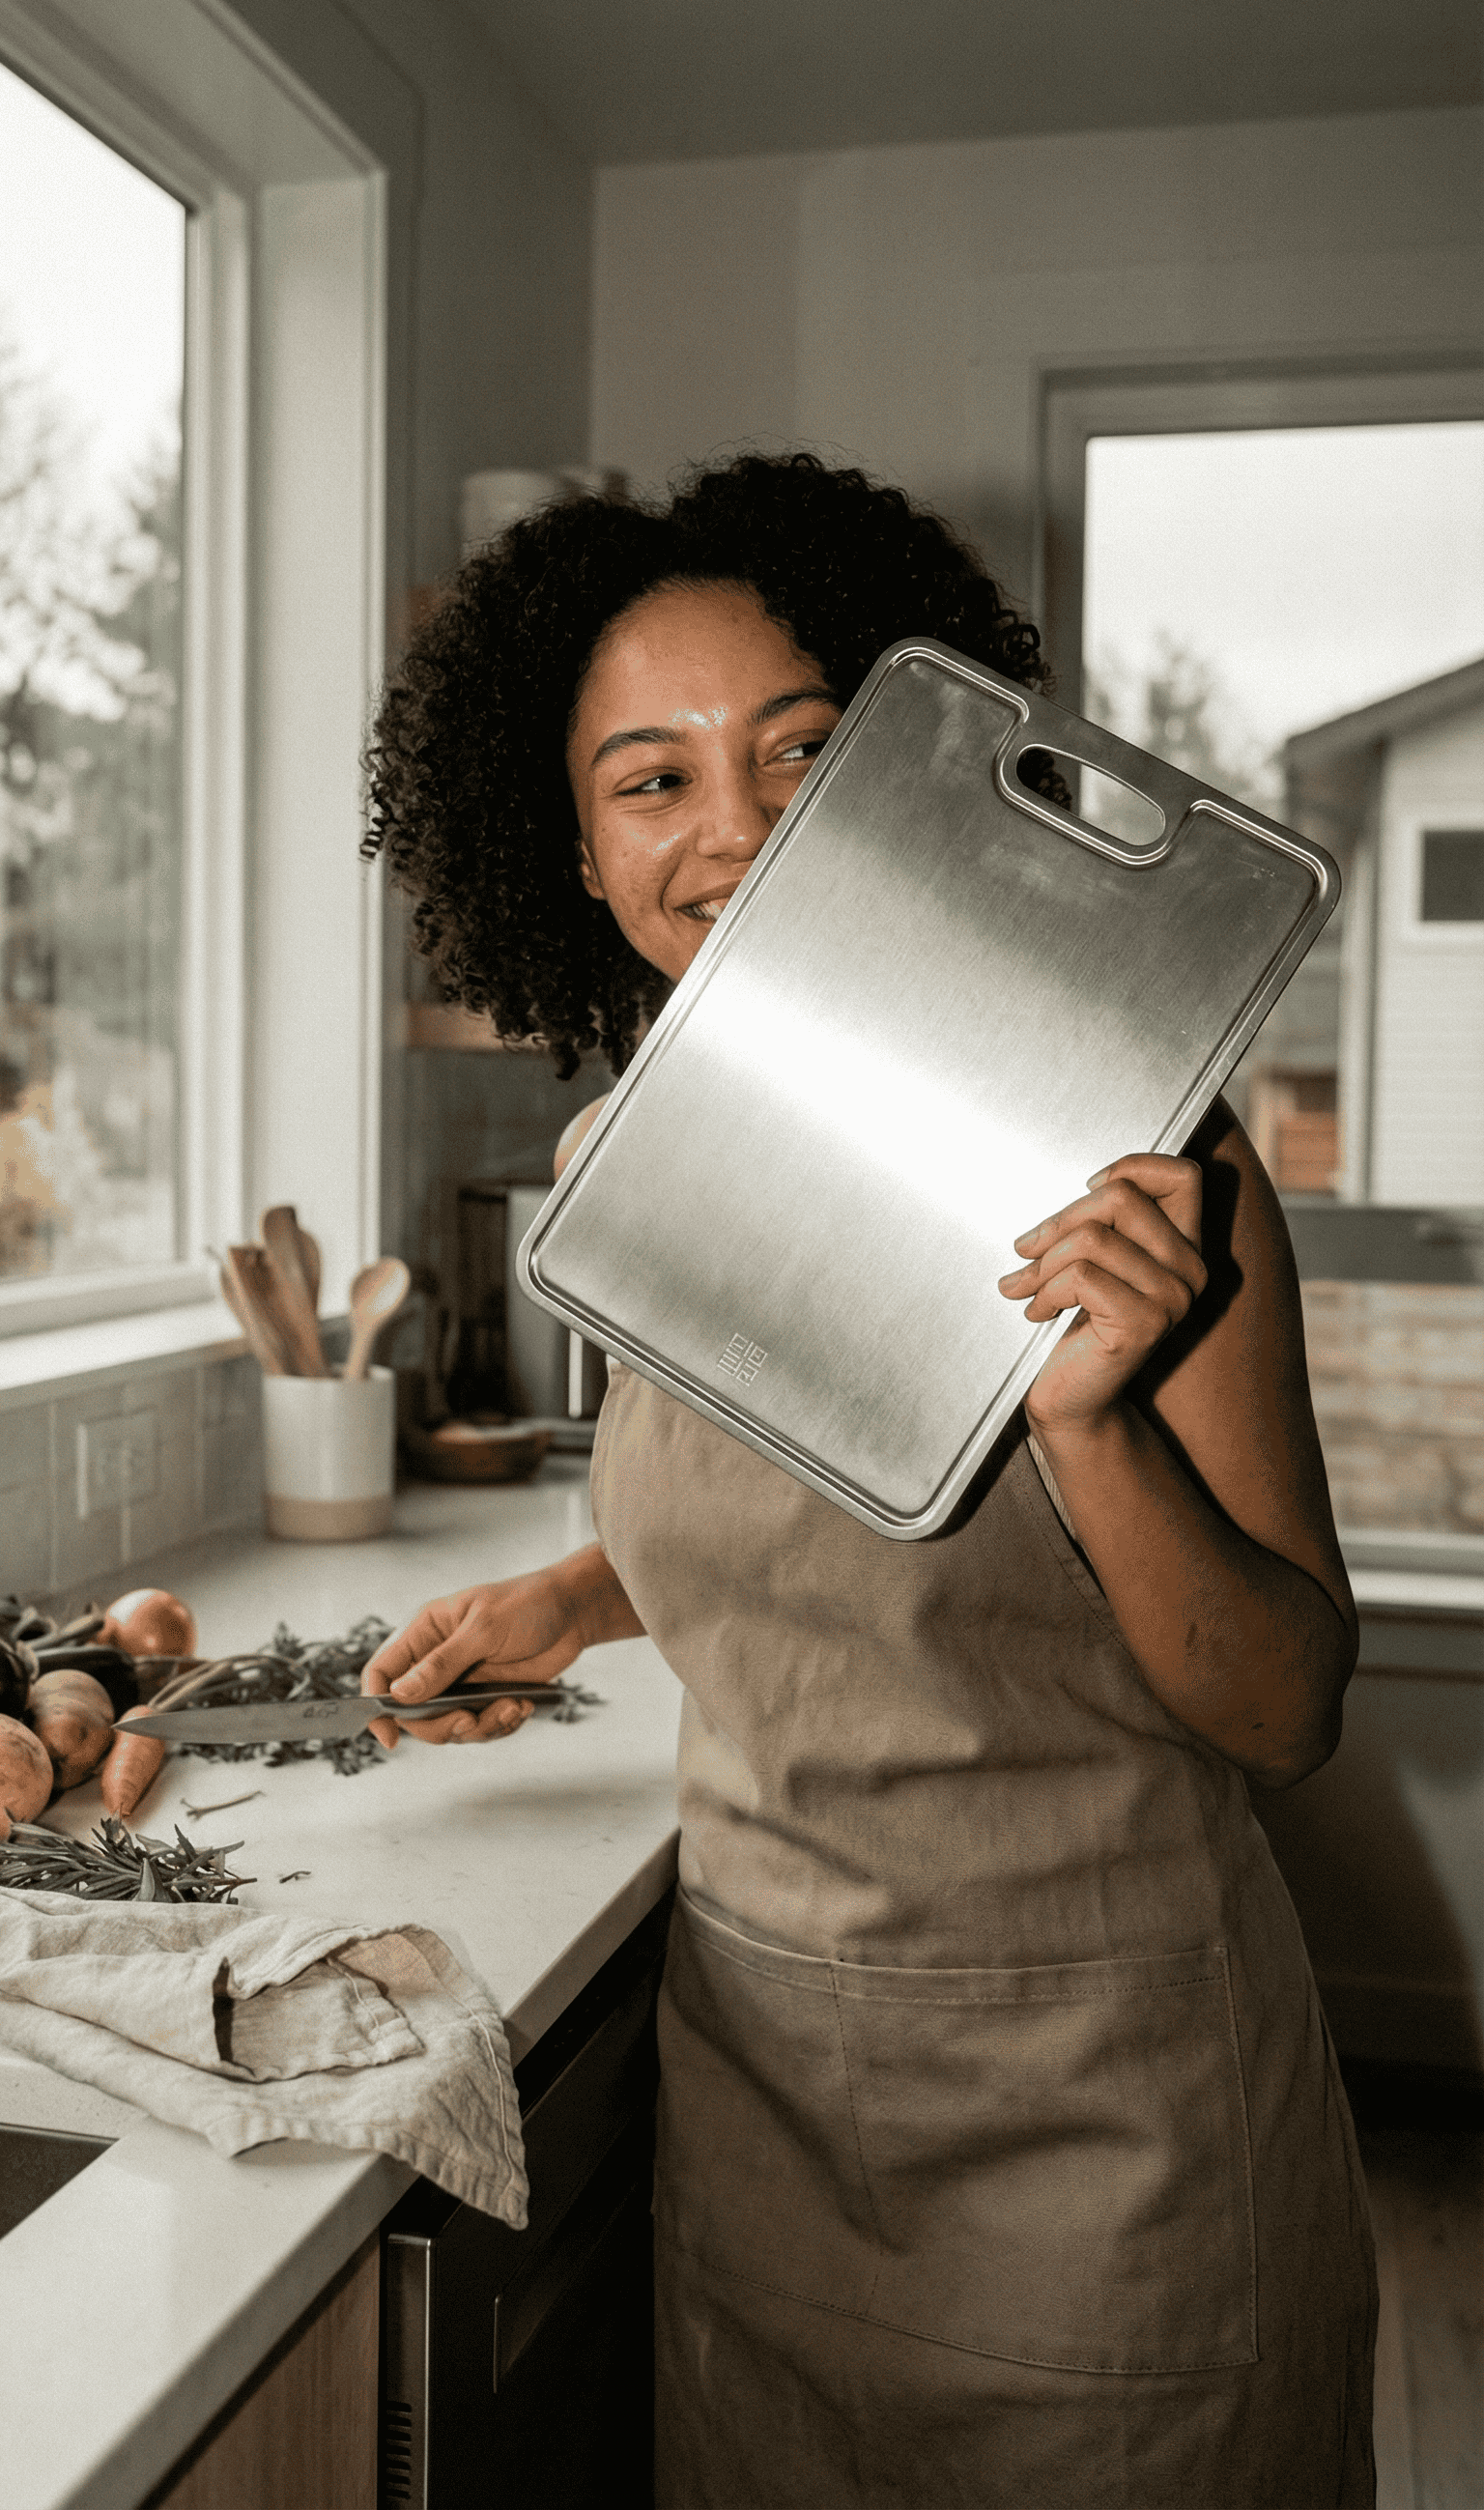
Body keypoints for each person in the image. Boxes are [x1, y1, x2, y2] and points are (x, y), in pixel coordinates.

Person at [360, 454, 1377, 2508]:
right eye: (650, 780)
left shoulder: (1142, 1157)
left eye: (801, 748)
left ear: (902, 771)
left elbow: (1283, 1699)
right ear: (565, 849)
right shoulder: (620, 1176)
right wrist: (570, 1595)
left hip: (1111, 2139)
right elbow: (795, 1503)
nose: (732, 825)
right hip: (772, 2119)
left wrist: (1088, 1414)